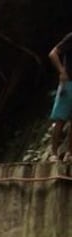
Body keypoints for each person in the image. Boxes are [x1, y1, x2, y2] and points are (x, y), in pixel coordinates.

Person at [48, 32, 72, 160]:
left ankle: (69, 153)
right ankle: (53, 153)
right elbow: (53, 53)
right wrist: (62, 72)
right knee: (60, 119)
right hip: (68, 83)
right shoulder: (70, 38)